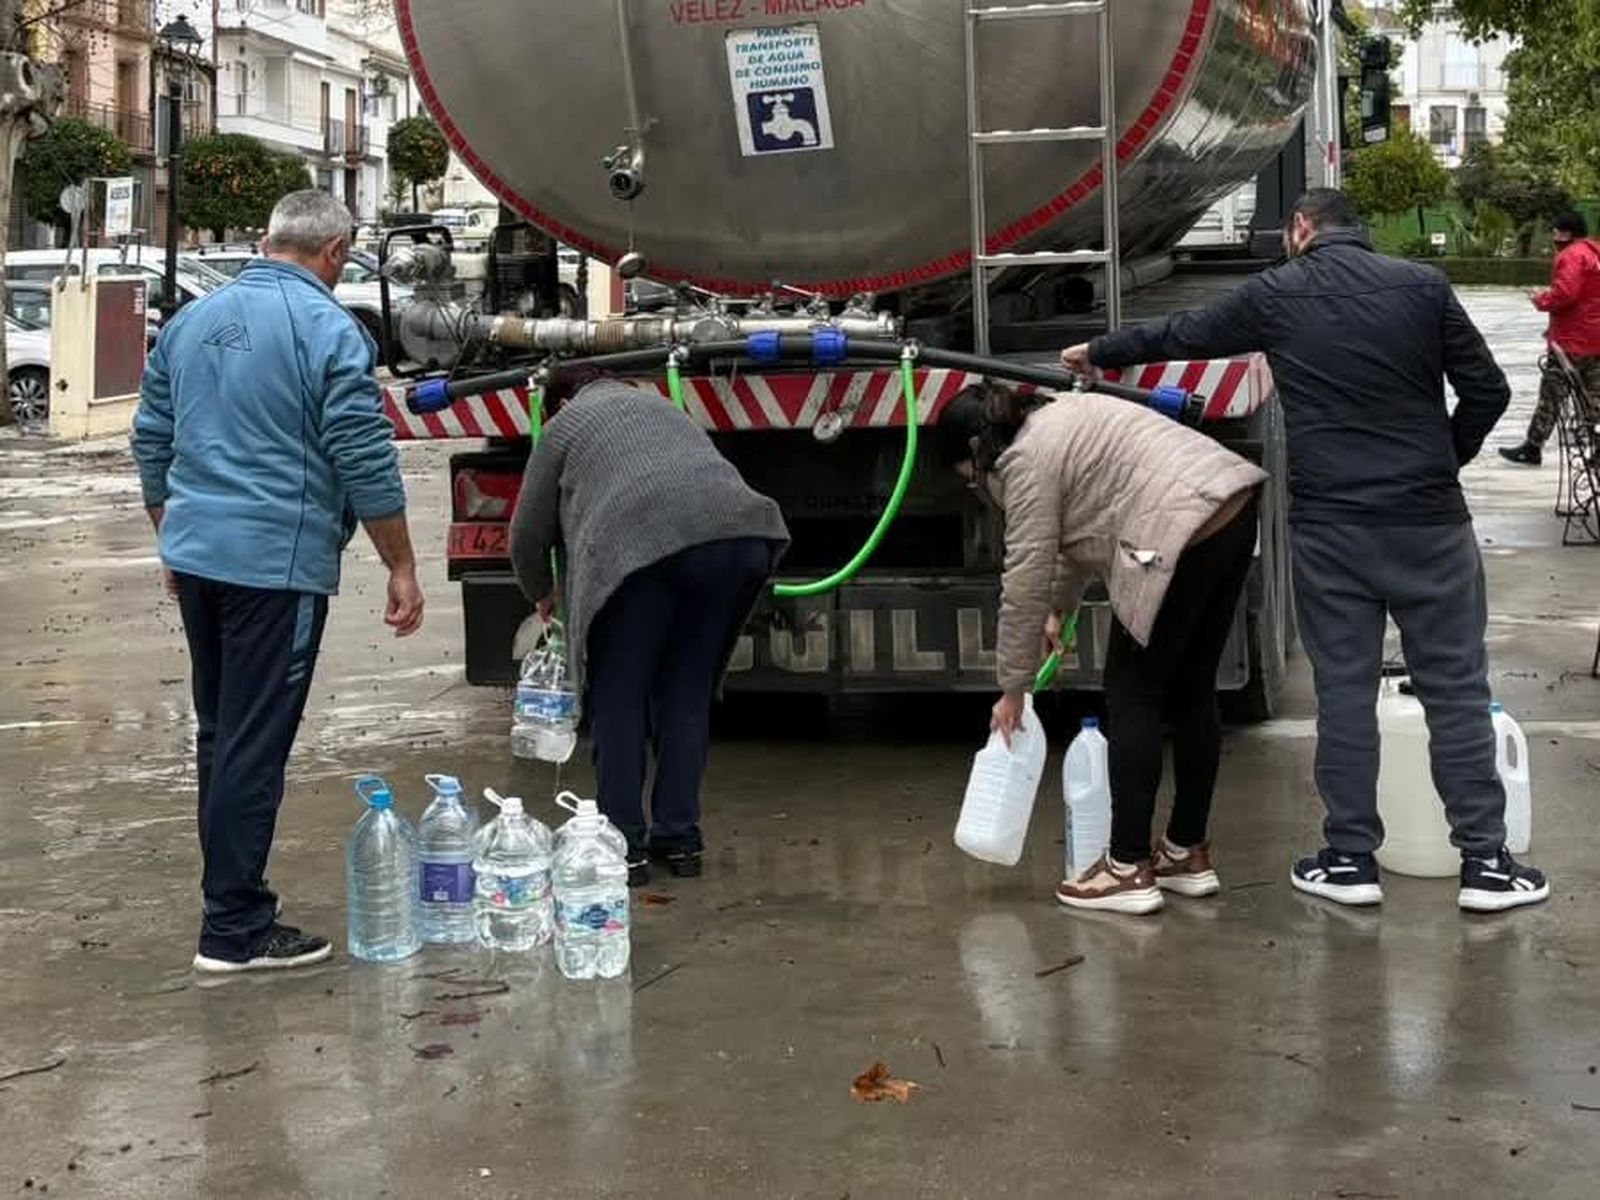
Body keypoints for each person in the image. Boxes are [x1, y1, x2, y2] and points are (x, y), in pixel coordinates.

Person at [1063, 187, 1549, 913]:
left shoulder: (1276, 294)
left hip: (1333, 531)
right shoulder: (1423, 286)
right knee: (1454, 688)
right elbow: (1487, 388)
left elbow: (1183, 335)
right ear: (1360, 229)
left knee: (1346, 693)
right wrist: (1444, 457)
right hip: (1429, 526)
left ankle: (1350, 859)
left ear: (1300, 229)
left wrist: (1099, 351)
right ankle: (1485, 863)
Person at [132, 190, 425, 973]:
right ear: (335, 252)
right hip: (274, 567)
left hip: (199, 559)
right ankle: (234, 928)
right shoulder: (330, 329)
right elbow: (363, 455)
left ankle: (229, 907)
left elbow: (151, 436)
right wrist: (400, 561)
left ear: (267, 242)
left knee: (221, 734)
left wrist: (174, 534)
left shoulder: (191, 321)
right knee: (253, 744)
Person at [941, 381, 1266, 914]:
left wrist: (1013, 689)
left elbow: (1023, 576)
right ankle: (1186, 852)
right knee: (1191, 688)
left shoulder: (1023, 462)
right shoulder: (1059, 419)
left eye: (969, 475)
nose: (976, 485)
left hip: (1177, 526)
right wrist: (1060, 609)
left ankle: (1126, 868)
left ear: (976, 450)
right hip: (1230, 507)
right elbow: (1066, 542)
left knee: (1132, 692)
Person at [509, 370, 789, 887]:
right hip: (739, 540)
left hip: (640, 551)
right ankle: (680, 842)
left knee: (620, 698)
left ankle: (623, 846)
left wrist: (540, 593)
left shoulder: (565, 425)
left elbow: (527, 532)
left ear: (560, 402)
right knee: (685, 694)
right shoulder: (666, 410)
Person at [1499, 211, 1600, 466]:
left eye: (1555, 232)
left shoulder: (1571, 256)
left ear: (1566, 233)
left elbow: (1566, 293)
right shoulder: (1595, 253)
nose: (1553, 237)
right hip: (1596, 338)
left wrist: (1541, 299)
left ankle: (1533, 447)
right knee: (1594, 399)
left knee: (1552, 394)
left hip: (1571, 340)